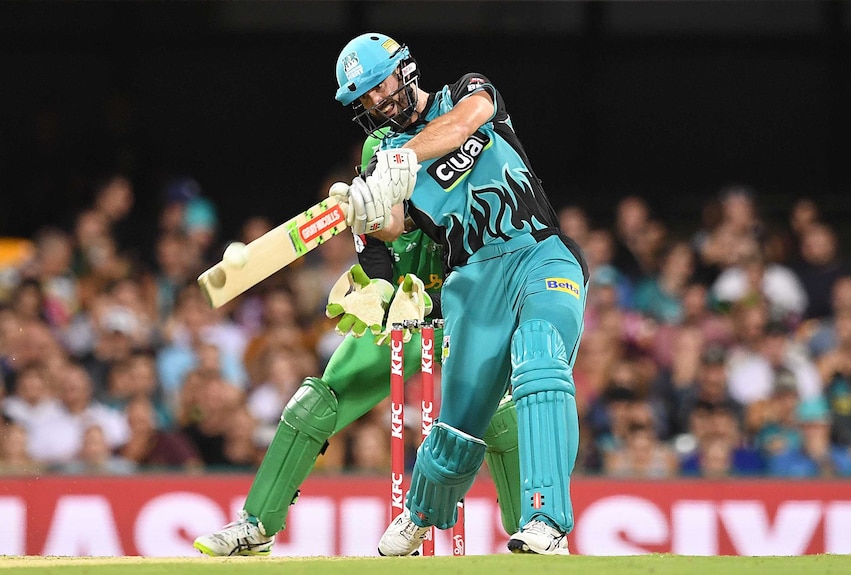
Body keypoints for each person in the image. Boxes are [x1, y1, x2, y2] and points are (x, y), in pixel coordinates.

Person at [193, 131, 522, 556]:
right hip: (405, 314)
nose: (378, 188)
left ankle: (531, 534)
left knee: (497, 409)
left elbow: (484, 268)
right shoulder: (369, 199)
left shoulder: (462, 190)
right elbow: (376, 259)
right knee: (317, 402)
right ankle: (256, 527)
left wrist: (432, 302)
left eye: (387, 176)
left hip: (466, 314)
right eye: (373, 175)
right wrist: (377, 293)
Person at [329, 32, 589, 555]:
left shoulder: (466, 91)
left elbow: (466, 121)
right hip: (470, 281)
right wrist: (365, 210)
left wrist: (402, 159)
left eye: (381, 86)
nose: (377, 102)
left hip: (538, 251)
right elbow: (394, 225)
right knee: (460, 424)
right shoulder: (379, 159)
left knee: (539, 355)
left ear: (405, 69)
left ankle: (547, 520)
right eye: (366, 98)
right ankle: (421, 514)